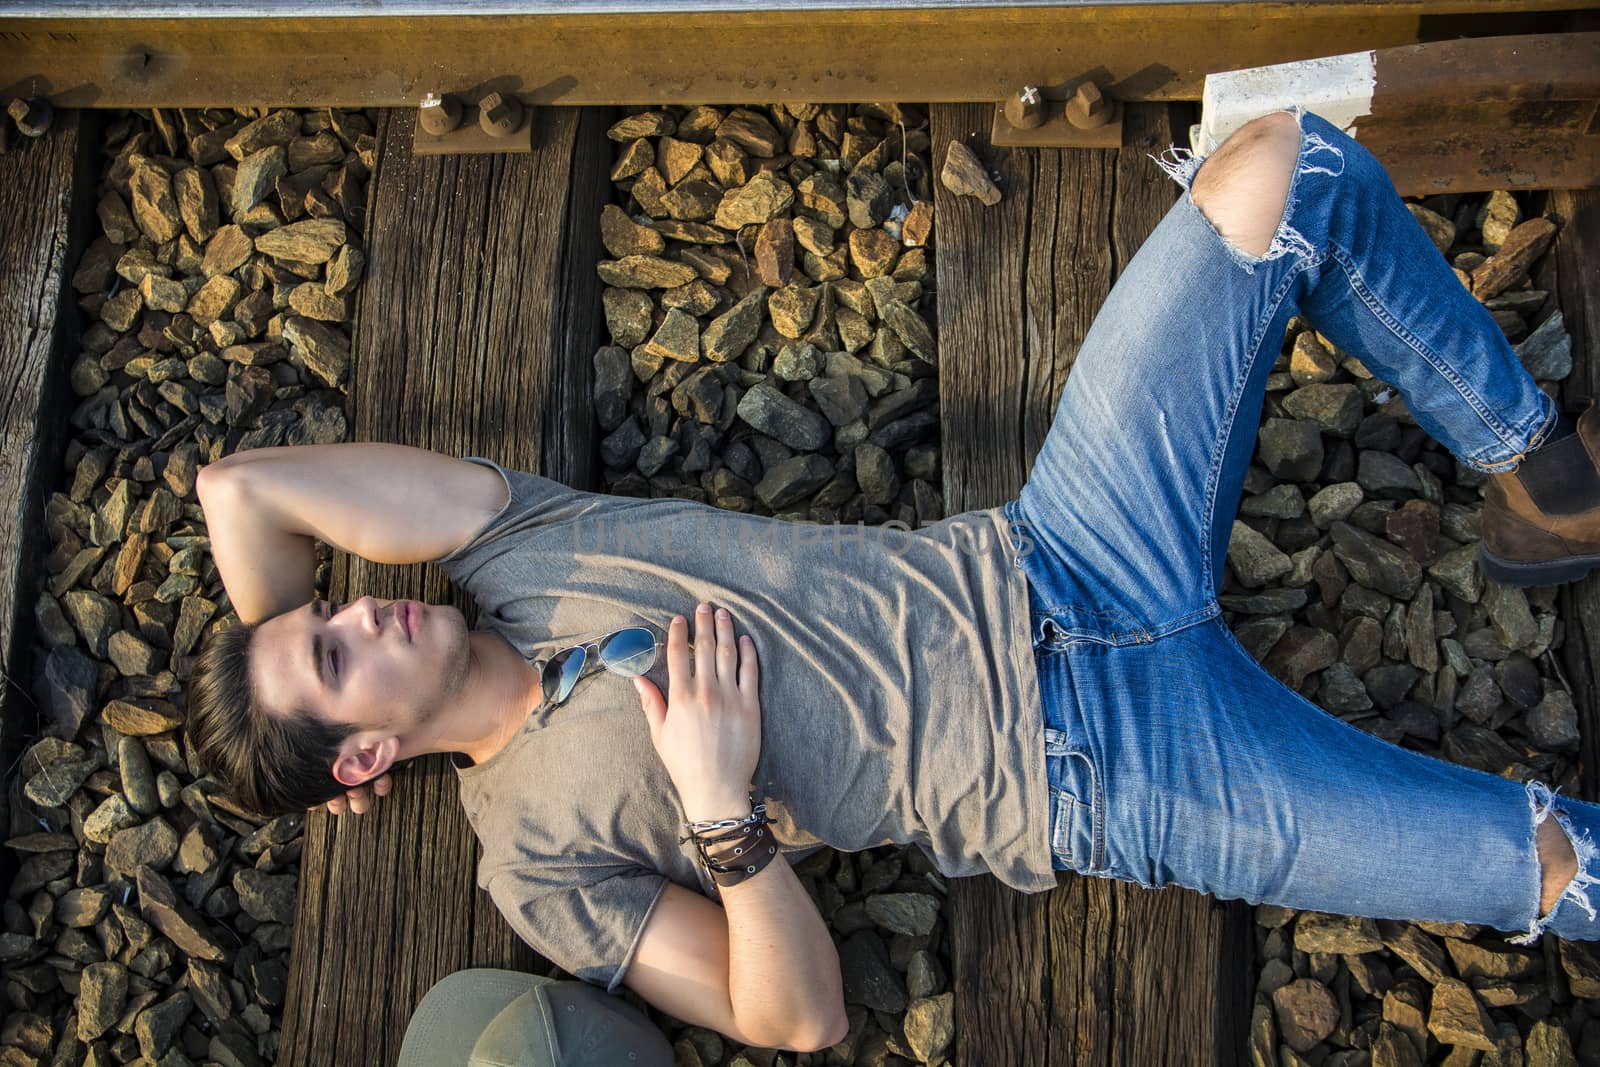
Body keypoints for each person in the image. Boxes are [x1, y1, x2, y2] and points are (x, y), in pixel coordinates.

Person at [185, 105, 1600, 1054]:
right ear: (366, 756)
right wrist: (722, 812)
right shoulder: (534, 868)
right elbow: (790, 1019)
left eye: (322, 606)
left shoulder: (511, 549)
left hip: (1064, 545)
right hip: (1095, 770)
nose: (356, 605)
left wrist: (274, 639)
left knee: (1280, 170)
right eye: (331, 654)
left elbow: (234, 490)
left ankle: (1536, 472)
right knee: (1546, 863)